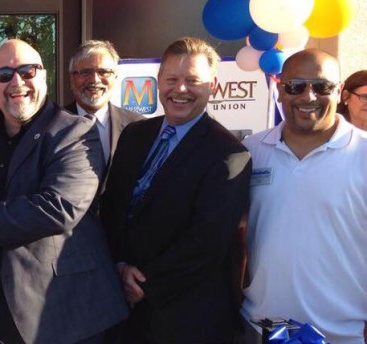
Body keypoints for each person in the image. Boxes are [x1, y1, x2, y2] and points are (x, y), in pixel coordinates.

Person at [0, 39, 128, 344]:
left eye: (28, 71)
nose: (17, 82)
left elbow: (59, 207)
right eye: (5, 74)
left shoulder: (74, 131)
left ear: (44, 76)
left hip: (56, 313)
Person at [99, 37, 251, 343]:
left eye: (192, 80)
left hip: (183, 319)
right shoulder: (134, 134)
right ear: (158, 82)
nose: (180, 90)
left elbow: (206, 242)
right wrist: (118, 266)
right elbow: (112, 207)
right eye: (171, 79)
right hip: (120, 311)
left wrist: (142, 285)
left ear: (213, 84)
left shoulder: (229, 154)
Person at [241, 49, 367, 344]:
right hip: (260, 329)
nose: (308, 97)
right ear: (280, 90)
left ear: (340, 93)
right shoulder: (250, 151)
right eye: (295, 86)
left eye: (322, 87)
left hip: (343, 335)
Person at [64, 40, 145, 171]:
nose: (95, 80)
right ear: (72, 78)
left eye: (104, 72)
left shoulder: (138, 126)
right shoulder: (52, 124)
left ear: (115, 77)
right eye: (85, 72)